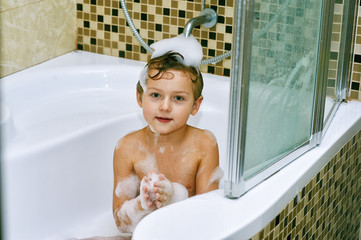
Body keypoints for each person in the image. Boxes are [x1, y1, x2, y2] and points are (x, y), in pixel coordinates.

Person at [112, 51, 221, 234]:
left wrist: (172, 199)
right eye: (155, 95)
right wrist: (142, 203)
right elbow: (121, 223)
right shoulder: (127, 148)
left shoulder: (204, 145)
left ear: (195, 106)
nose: (165, 107)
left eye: (178, 98)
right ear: (140, 97)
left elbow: (208, 215)